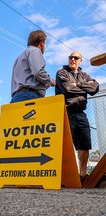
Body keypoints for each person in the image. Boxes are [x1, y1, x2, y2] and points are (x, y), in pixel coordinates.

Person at [55, 51, 99, 182]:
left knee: (84, 144)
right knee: (64, 144)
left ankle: (83, 174)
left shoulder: (84, 75)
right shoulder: (62, 73)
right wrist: (85, 87)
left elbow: (95, 88)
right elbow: (68, 89)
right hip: (66, 111)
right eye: (70, 57)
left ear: (80, 60)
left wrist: (78, 84)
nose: (72, 59)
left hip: (81, 113)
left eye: (76, 58)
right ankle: (63, 175)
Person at [11, 30, 56, 103]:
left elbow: (26, 79)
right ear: (42, 43)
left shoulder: (19, 57)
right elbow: (38, 72)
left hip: (17, 97)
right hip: (29, 96)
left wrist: (42, 85)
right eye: (45, 43)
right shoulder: (35, 50)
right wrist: (51, 81)